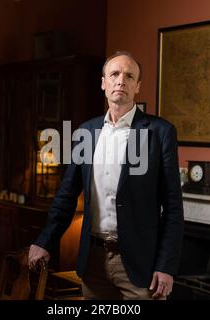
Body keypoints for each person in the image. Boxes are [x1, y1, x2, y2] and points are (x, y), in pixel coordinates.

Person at [29, 51, 184, 300]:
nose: (121, 80)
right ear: (103, 83)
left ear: (137, 86)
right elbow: (67, 195)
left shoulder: (161, 132)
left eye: (129, 76)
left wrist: (166, 266)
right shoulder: (86, 132)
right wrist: (45, 241)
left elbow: (173, 208)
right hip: (93, 262)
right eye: (114, 74)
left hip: (140, 265)